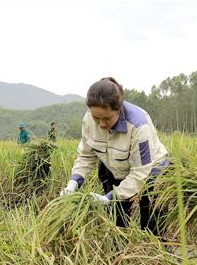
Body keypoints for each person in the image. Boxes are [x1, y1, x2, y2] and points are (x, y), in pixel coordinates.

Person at [60, 77, 170, 234]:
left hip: (150, 172)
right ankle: (119, 251)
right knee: (117, 219)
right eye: (96, 118)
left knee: (151, 223)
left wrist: (109, 197)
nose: (101, 124)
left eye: (107, 118)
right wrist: (73, 183)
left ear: (119, 109)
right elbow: (86, 155)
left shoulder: (138, 125)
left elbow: (140, 173)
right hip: (115, 166)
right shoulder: (88, 120)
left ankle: (156, 251)